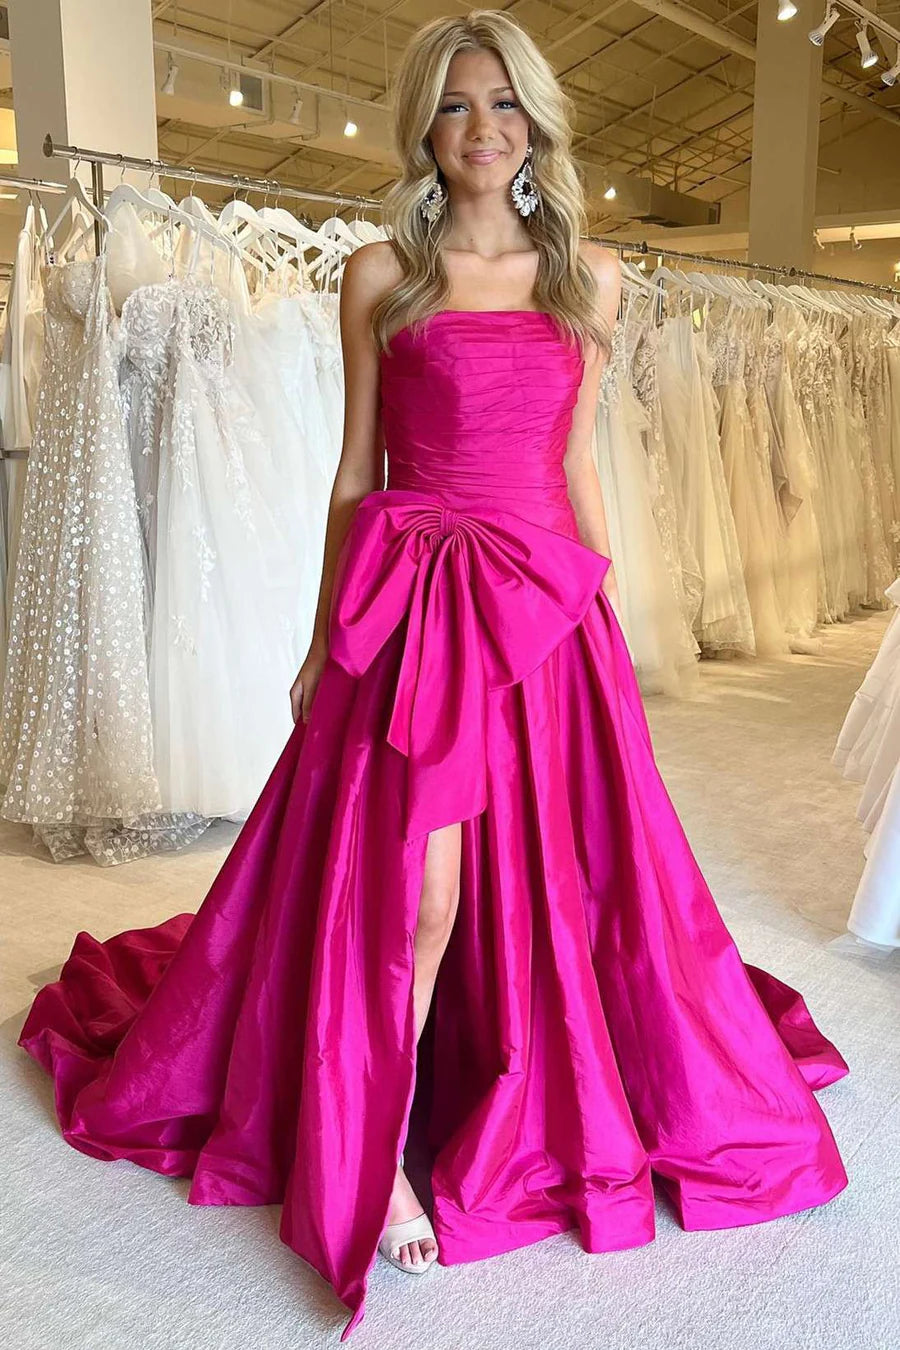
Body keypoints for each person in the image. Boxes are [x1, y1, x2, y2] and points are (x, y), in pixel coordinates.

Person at [18, 10, 849, 1344]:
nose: (484, 129)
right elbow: (359, 473)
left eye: (506, 105)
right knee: (420, 896)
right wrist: (319, 641)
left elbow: (575, 464)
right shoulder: (379, 275)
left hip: (544, 612)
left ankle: (503, 1083)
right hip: (415, 613)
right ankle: (384, 1151)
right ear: (425, 125)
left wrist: (603, 615)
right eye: (459, 105)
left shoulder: (590, 281)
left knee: (566, 885)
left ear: (537, 125)